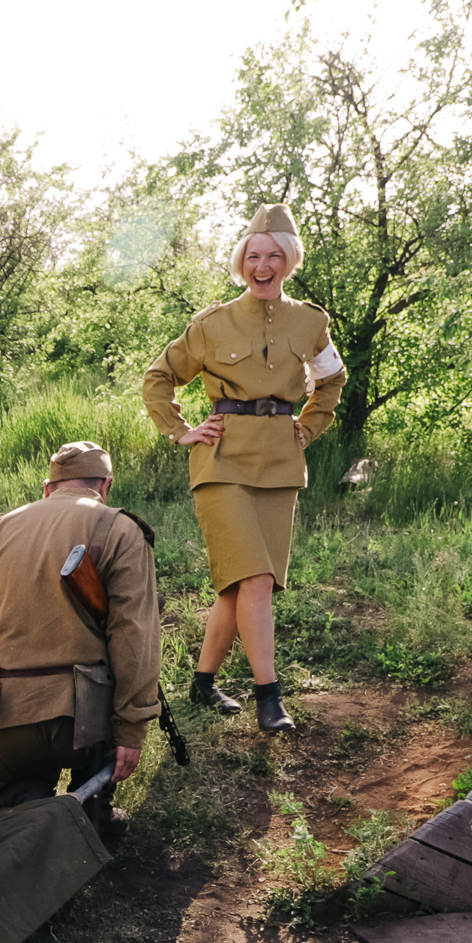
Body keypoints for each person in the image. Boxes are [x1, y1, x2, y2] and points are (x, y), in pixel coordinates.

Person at [141, 204, 347, 733]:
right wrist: (180, 429)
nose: (263, 265)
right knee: (253, 576)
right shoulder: (212, 324)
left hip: (281, 462)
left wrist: (312, 424)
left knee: (241, 586)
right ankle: (268, 695)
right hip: (222, 461)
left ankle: (203, 683)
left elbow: (332, 379)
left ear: (290, 261)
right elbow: (159, 378)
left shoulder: (311, 321)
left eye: (274, 255)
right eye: (254, 255)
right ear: (241, 262)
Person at [0, 441, 165, 837]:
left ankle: (28, 805)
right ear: (106, 486)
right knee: (87, 812)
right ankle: (90, 816)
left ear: (46, 488)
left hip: (0, 721)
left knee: (15, 803)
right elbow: (134, 639)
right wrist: (131, 730)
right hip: (79, 728)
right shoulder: (120, 529)